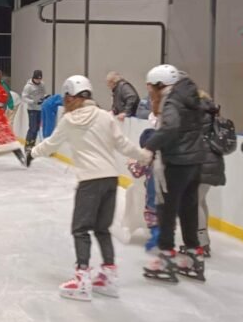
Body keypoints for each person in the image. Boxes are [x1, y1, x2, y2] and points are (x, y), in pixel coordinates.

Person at [28, 75, 152, 301]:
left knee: (80, 229)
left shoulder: (69, 120)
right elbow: (123, 144)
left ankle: (82, 279)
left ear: (68, 96)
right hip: (111, 180)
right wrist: (143, 155)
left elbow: (51, 144)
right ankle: (109, 277)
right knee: (102, 229)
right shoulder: (105, 116)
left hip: (89, 181)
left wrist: (32, 153)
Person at [141, 65, 208, 283]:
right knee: (188, 208)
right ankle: (193, 255)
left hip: (176, 162)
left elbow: (170, 127)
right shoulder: (190, 97)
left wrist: (150, 147)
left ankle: (166, 257)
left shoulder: (171, 100)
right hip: (195, 161)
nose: (150, 92)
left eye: (151, 87)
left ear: (160, 84)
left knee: (166, 210)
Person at [198, 91, 226, 257]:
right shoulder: (212, 113)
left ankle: (202, 241)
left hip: (201, 161)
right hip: (213, 161)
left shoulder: (198, 114)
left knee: (195, 202)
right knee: (201, 201)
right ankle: (202, 238)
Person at [21, 70, 46, 148]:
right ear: (33, 78)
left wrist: (44, 99)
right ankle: (28, 145)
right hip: (32, 109)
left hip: (40, 109)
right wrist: (33, 101)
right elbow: (24, 97)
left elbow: (43, 94)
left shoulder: (42, 84)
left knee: (37, 128)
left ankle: (32, 143)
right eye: (37, 79)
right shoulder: (28, 86)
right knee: (33, 128)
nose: (38, 81)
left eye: (40, 79)